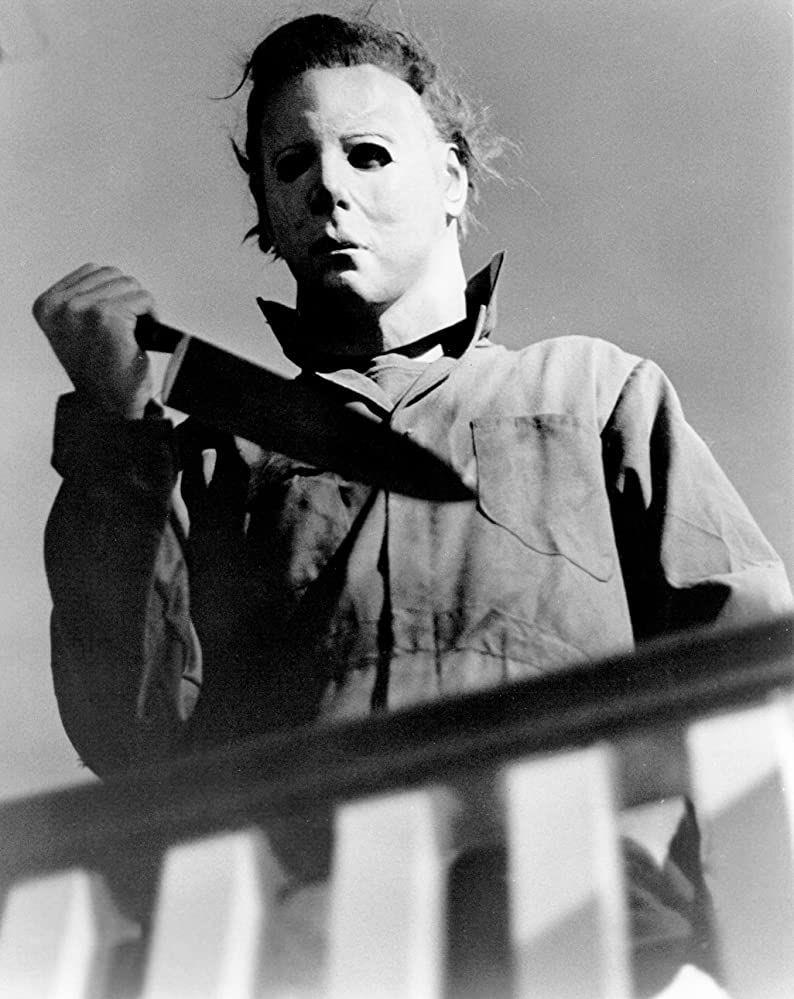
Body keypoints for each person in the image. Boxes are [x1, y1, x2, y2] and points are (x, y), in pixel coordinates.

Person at [32, 12, 791, 996]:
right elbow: (129, 732)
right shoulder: (220, 454)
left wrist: (754, 958)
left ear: (452, 180)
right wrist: (112, 436)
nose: (329, 186)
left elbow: (750, 669)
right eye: (292, 165)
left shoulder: (594, 390)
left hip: (577, 928)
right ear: (269, 211)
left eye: (369, 153)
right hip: (307, 944)